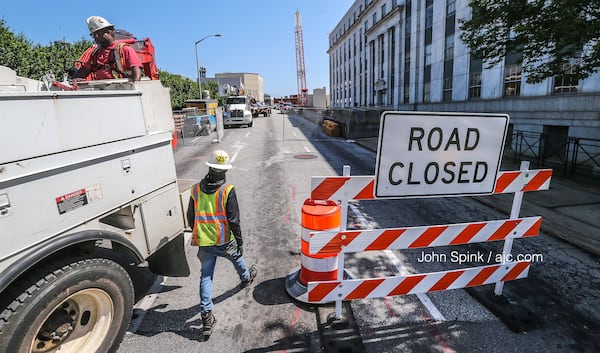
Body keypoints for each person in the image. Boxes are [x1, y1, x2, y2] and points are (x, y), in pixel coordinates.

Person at [186, 149, 257, 339]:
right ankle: (246, 277)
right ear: (224, 171)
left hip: (205, 242)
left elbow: (190, 218)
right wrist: (240, 241)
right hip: (224, 239)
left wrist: (200, 233)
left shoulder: (195, 190)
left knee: (206, 277)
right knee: (237, 257)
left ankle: (206, 315)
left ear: (209, 167)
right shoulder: (227, 190)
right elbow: (234, 221)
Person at [71, 16, 142, 81]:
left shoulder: (124, 50)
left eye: (98, 34)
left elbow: (137, 76)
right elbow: (83, 71)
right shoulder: (95, 54)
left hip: (121, 90)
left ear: (108, 33)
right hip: (102, 91)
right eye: (93, 35)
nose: (95, 37)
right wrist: (75, 79)